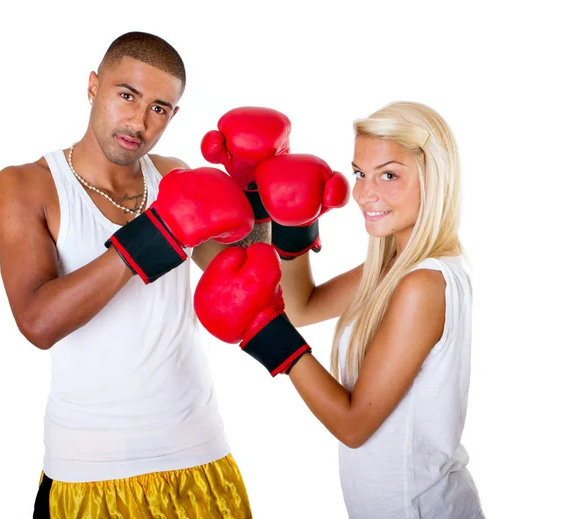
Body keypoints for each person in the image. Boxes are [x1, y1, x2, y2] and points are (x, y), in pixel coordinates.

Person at [0, 31, 282, 518]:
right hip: (89, 472)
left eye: (160, 108)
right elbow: (37, 322)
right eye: (127, 95)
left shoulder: (176, 177)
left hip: (199, 454)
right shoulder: (25, 185)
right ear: (93, 86)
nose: (139, 121)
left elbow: (245, 280)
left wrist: (253, 189)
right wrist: (155, 234)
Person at [193, 101, 485, 518]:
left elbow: (353, 425)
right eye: (360, 173)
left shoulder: (423, 283)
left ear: (434, 178)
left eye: (389, 174)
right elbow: (302, 307)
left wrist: (264, 331)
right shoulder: (395, 267)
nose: (365, 194)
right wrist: (290, 221)